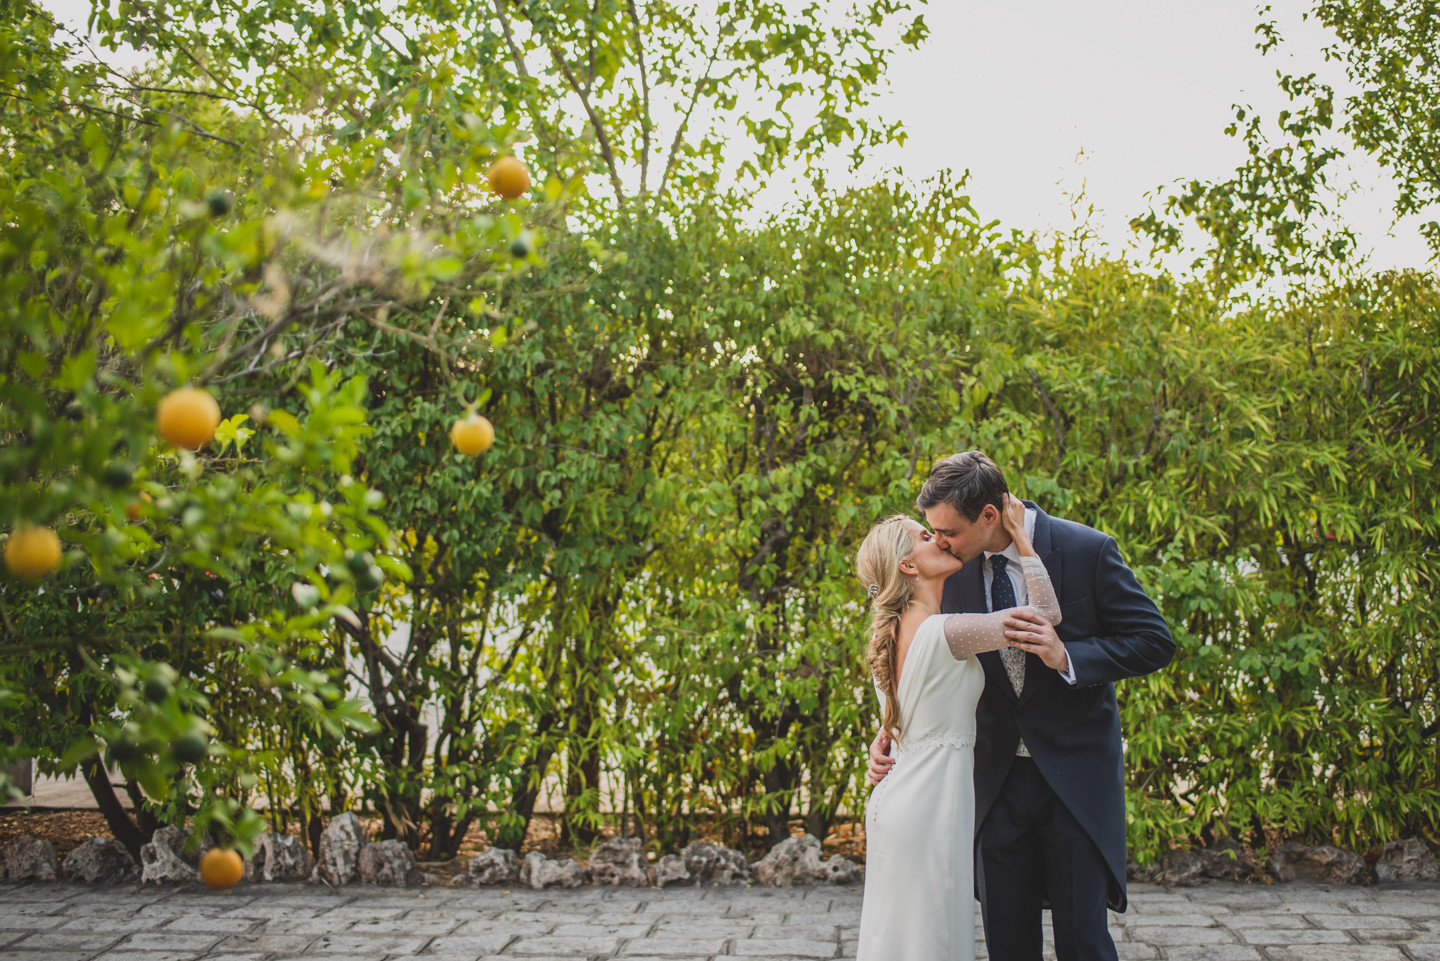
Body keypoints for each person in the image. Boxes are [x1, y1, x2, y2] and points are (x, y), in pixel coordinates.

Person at [868, 451, 1175, 961]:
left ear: (989, 516)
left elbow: (1152, 640)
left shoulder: (1086, 549)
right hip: (988, 785)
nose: (940, 541)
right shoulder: (946, 571)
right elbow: (911, 661)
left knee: (1084, 943)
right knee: (1007, 946)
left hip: (1074, 781)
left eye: (949, 532)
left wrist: (1068, 655)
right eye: (933, 532)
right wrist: (888, 738)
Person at [854, 493, 1057, 961]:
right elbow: (1045, 620)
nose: (941, 539)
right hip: (930, 806)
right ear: (908, 566)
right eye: (926, 536)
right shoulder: (946, 631)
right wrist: (1024, 540)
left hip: (898, 799)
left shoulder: (896, 633)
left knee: (900, 942)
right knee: (933, 941)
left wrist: (882, 741)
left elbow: (904, 717)